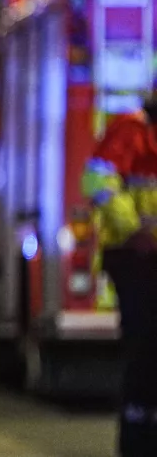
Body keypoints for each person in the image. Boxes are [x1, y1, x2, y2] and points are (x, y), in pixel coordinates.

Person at [82, 99, 157, 457]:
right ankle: (138, 436)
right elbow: (98, 181)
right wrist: (133, 229)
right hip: (134, 257)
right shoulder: (130, 131)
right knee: (144, 347)